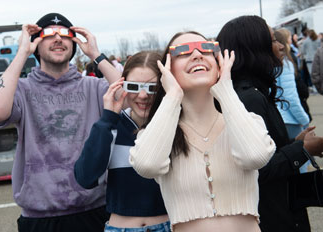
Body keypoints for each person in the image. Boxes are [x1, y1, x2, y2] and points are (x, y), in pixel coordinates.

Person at [0, 13, 121, 232]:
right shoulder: (22, 88)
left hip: (94, 209)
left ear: (74, 44)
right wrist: (21, 53)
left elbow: (133, 98)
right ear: (36, 44)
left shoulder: (93, 87)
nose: (58, 38)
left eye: (66, 34)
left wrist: (96, 54)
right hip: (39, 216)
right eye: (48, 34)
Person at [129, 31, 276, 232]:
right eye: (182, 51)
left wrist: (225, 88)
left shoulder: (248, 121)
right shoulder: (158, 134)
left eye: (206, 48)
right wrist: (172, 96)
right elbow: (146, 165)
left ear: (219, 62)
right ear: (167, 69)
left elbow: (256, 156)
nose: (197, 54)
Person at [216, 15, 323, 232]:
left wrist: (295, 142)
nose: (281, 46)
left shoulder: (253, 92)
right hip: (271, 215)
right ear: (255, 48)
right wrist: (302, 149)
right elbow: (258, 170)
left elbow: (266, 150)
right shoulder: (248, 98)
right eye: (273, 40)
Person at [74, 51, 171, 232]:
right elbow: (86, 178)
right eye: (133, 86)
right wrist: (107, 119)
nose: (142, 95)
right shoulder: (111, 125)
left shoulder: (175, 125)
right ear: (122, 85)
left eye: (152, 87)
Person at [274, 29, 310, 139]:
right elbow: (290, 97)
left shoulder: (268, 64)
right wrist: (304, 119)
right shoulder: (284, 63)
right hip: (289, 119)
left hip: (277, 117)